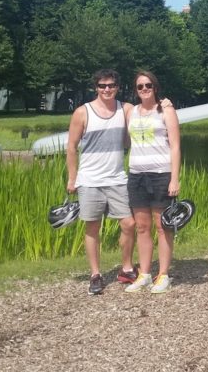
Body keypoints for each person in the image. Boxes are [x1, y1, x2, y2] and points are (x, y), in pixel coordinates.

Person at [66, 69, 138, 295]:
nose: (107, 90)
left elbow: (148, 115)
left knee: (129, 224)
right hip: (90, 180)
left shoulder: (125, 109)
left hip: (117, 178)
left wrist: (164, 106)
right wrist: (72, 178)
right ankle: (95, 274)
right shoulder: (82, 112)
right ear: (95, 88)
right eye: (102, 86)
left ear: (117, 87)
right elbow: (71, 147)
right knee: (93, 227)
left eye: (111, 85)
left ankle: (126, 268)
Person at [125, 70, 182, 294]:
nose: (144, 89)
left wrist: (174, 178)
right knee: (142, 227)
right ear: (136, 90)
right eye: (140, 86)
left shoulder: (166, 110)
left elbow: (176, 146)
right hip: (137, 173)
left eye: (148, 85)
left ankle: (164, 275)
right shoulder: (131, 112)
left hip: (161, 173)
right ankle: (145, 274)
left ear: (155, 87)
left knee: (162, 226)